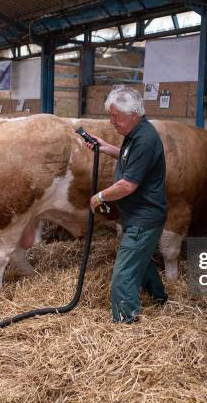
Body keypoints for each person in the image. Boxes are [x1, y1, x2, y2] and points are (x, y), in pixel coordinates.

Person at [84, 87, 168, 324]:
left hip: (144, 218)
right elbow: (130, 158)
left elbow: (128, 185)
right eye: (110, 116)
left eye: (115, 116)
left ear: (133, 114)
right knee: (139, 261)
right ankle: (159, 298)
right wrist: (104, 147)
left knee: (122, 276)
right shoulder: (136, 134)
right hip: (138, 216)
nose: (112, 122)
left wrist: (98, 197)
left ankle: (126, 322)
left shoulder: (145, 139)